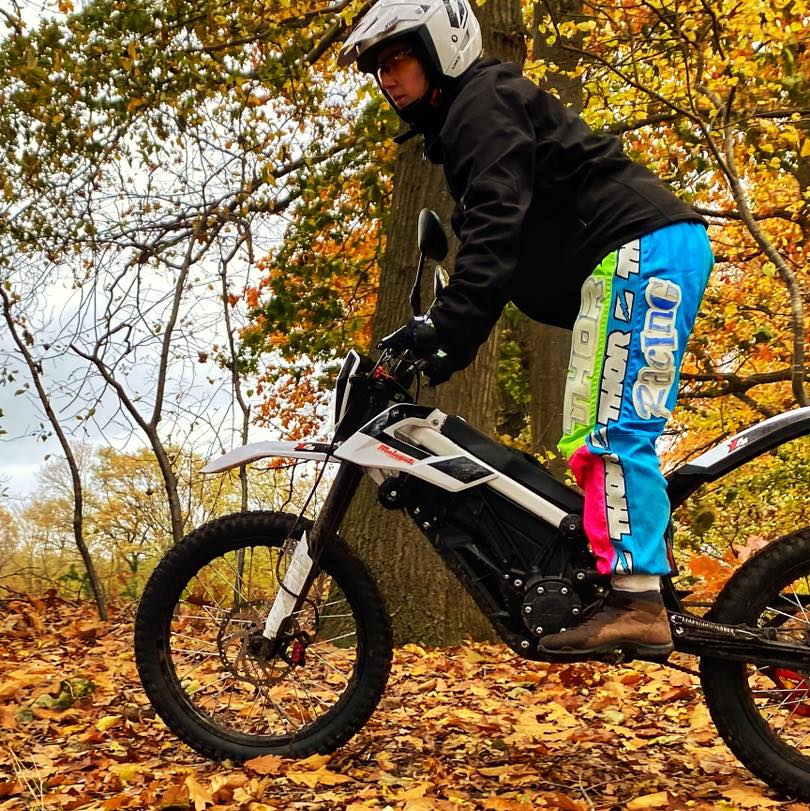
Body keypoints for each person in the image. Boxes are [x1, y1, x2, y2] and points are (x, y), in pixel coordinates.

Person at [337, 0, 714, 659]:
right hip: (643, 251)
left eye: (397, 59)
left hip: (640, 249)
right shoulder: (476, 115)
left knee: (609, 427)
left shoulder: (481, 103)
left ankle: (637, 601)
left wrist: (439, 327)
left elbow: (494, 234)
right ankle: (634, 576)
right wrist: (446, 346)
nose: (387, 79)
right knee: (593, 423)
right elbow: (499, 258)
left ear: (441, 47)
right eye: (378, 71)